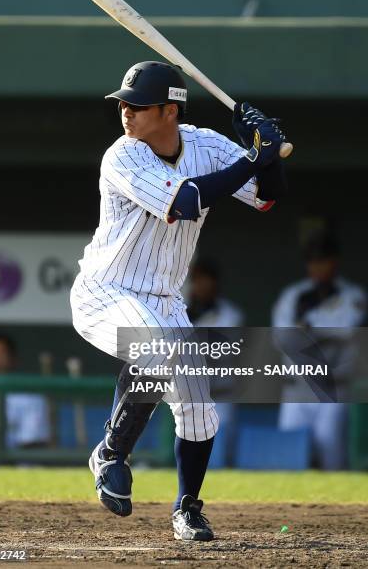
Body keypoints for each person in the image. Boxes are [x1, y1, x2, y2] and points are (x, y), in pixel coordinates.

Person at [70, 60, 288, 540]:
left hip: (165, 299)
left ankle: (187, 507)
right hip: (107, 291)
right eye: (123, 103)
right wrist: (254, 157)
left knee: (198, 407)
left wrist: (269, 153)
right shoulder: (123, 156)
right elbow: (187, 199)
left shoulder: (205, 144)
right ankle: (111, 450)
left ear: (170, 110)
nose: (125, 111)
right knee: (158, 346)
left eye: (138, 105)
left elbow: (267, 198)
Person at [272, 229, 367, 470]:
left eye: (324, 260)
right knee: (289, 457)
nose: (319, 267)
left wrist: (311, 328)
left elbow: (349, 331)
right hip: (296, 387)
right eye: (314, 261)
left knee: (330, 454)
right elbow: (280, 336)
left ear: (335, 261)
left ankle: (331, 507)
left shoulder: (351, 295)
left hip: (332, 388)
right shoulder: (294, 295)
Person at [187, 257, 243, 467]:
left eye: (206, 279)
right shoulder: (182, 312)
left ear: (215, 283)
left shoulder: (230, 314)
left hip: (221, 397)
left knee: (219, 459)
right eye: (197, 280)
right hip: (190, 397)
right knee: (189, 456)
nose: (202, 285)